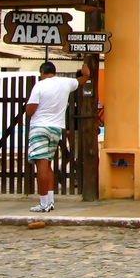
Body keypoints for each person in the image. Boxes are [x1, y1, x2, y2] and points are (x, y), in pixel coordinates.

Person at [25, 61, 91, 212]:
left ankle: (43, 203)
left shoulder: (40, 85)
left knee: (40, 164)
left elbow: (30, 110)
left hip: (40, 127)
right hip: (56, 129)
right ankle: (49, 201)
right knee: (48, 164)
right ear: (54, 71)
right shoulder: (65, 83)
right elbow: (82, 80)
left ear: (42, 72)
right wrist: (86, 72)